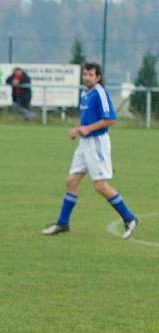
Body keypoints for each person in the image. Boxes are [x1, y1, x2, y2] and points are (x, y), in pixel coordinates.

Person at [42, 62, 138, 239]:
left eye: (90, 75)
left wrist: (88, 129)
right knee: (71, 181)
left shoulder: (100, 93)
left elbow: (110, 119)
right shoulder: (85, 94)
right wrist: (77, 128)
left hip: (97, 143)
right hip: (84, 144)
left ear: (98, 77)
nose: (86, 77)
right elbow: (86, 121)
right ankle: (63, 223)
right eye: (85, 74)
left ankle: (130, 218)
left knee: (100, 186)